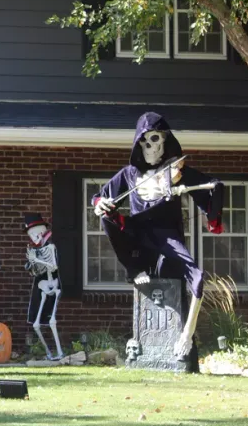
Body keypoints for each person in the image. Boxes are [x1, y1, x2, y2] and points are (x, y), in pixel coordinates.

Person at [92, 112, 224, 358]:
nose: (150, 146)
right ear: (137, 143)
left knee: (195, 275)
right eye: (144, 141)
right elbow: (101, 196)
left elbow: (213, 185)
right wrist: (101, 203)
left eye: (155, 139)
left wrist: (212, 211)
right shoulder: (129, 174)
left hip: (166, 235)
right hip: (136, 234)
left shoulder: (176, 171)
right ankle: (134, 270)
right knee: (107, 217)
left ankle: (185, 336)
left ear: (165, 142)